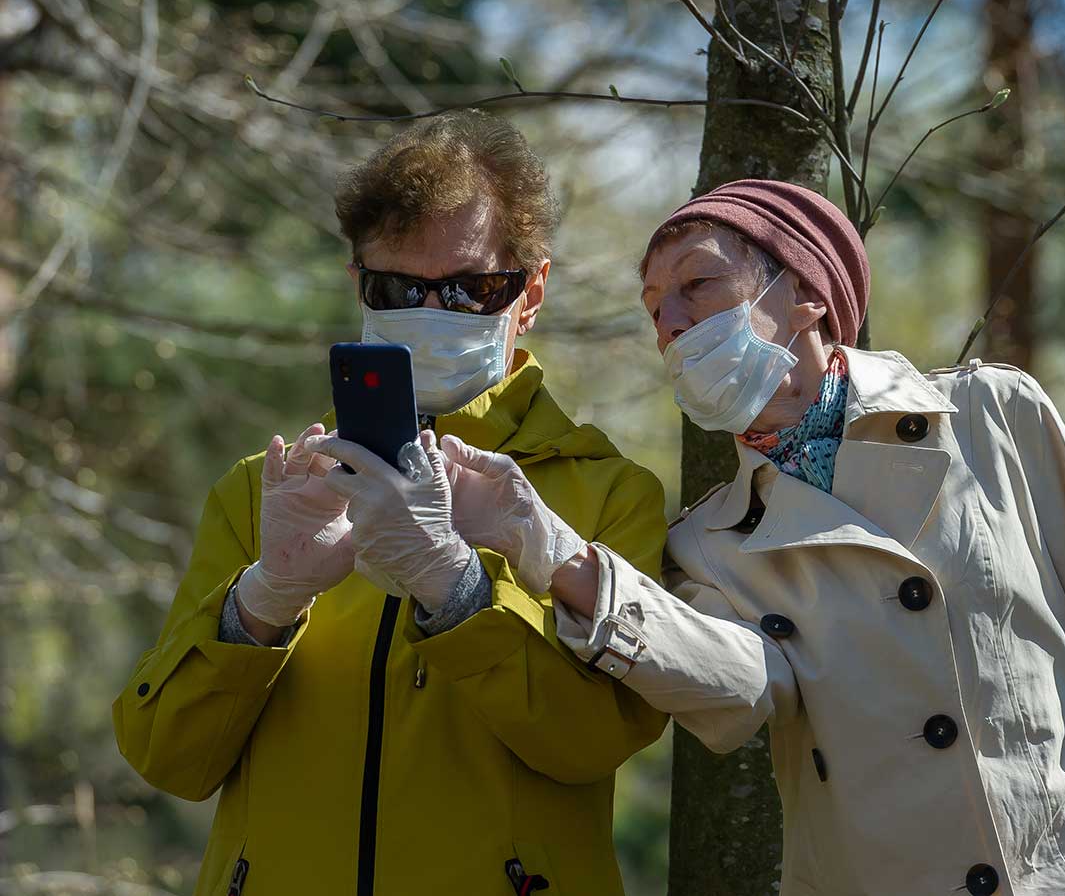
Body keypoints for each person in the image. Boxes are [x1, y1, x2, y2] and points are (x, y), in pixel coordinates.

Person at [436, 180, 1065, 896]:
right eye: (654, 306)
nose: (669, 322)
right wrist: (539, 541)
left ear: (803, 294)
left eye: (697, 284)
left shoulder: (992, 415)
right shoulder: (708, 541)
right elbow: (740, 692)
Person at [112, 110, 667, 896]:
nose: (432, 312)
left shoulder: (609, 495)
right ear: (359, 287)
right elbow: (166, 756)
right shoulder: (268, 486)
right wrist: (260, 604)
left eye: (472, 288)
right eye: (400, 287)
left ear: (530, 291)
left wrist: (461, 594)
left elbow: (592, 741)